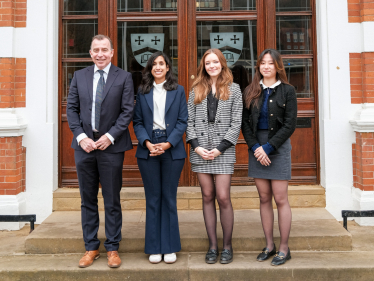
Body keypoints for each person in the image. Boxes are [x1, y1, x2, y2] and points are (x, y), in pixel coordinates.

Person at [66, 34, 134, 268]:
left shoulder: (123, 77)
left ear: (112, 52)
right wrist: (82, 137)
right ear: (91, 53)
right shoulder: (79, 76)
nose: (100, 54)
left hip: (111, 147)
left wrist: (109, 136)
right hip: (84, 146)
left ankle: (113, 248)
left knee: (112, 198)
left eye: (105, 49)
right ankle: (91, 247)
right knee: (87, 199)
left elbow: (127, 111)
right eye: (96, 50)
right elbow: (71, 109)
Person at [186, 49, 243, 264]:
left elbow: (236, 122)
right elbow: (188, 121)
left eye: (215, 62)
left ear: (222, 64)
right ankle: (212, 246)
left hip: (224, 150)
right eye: (208, 63)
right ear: (204, 66)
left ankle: (227, 246)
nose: (212, 66)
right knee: (207, 196)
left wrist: (220, 148)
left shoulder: (234, 90)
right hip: (200, 150)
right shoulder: (196, 90)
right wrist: (196, 147)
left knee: (223, 197)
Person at [242, 48, 297, 266]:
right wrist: (257, 147)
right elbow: (245, 124)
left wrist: (269, 147)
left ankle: (284, 248)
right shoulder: (250, 90)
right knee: (264, 198)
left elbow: (290, 124)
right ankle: (269, 245)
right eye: (263, 63)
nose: (266, 66)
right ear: (258, 66)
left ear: (277, 66)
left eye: (270, 63)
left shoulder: (288, 91)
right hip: (257, 148)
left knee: (280, 198)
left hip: (279, 146)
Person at [133, 52, 188, 264]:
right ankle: (154, 247)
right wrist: (147, 143)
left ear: (167, 68)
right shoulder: (143, 91)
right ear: (150, 68)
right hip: (148, 148)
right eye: (154, 64)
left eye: (161, 64)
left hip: (171, 148)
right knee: (153, 199)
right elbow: (137, 121)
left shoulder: (179, 90)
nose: (158, 67)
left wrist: (167, 144)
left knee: (169, 198)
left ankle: (170, 247)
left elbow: (182, 121)